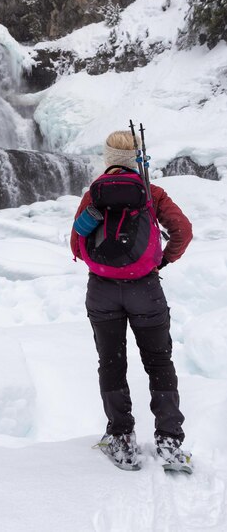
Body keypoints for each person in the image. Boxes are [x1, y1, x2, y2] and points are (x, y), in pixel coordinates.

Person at [71, 130, 193, 470]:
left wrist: (103, 262)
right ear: (137, 158)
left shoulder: (93, 195)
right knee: (159, 362)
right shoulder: (151, 193)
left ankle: (122, 439)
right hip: (146, 290)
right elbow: (183, 230)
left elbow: (76, 244)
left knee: (111, 363)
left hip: (102, 291)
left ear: (108, 158)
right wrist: (163, 259)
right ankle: (169, 443)